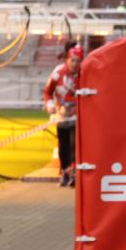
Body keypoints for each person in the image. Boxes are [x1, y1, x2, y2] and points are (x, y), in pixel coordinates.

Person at [43, 44, 83, 187]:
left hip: (77, 117)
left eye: (78, 61)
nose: (75, 64)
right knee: (63, 146)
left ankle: (74, 173)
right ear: (67, 60)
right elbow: (47, 92)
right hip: (60, 116)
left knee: (74, 146)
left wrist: (78, 109)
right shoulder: (57, 73)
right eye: (72, 60)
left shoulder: (85, 74)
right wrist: (50, 106)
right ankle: (65, 172)